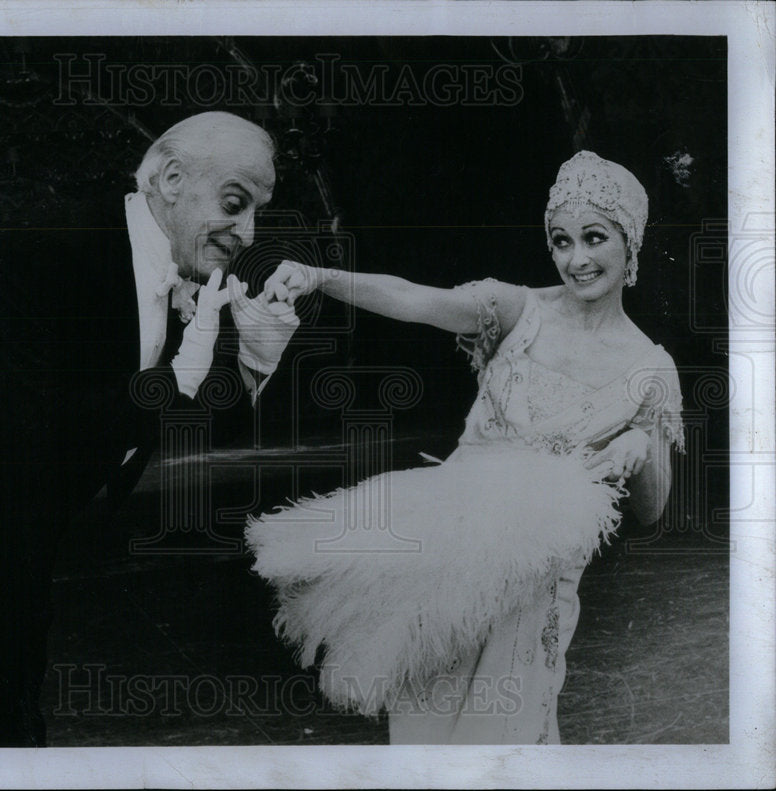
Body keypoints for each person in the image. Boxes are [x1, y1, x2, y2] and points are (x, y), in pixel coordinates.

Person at [0, 111, 299, 746]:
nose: (249, 232)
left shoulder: (155, 266)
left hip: (11, 567)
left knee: (9, 740)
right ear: (170, 179)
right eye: (234, 203)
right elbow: (29, 430)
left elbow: (157, 419)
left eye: (257, 211)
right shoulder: (35, 258)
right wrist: (185, 371)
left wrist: (253, 362)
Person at [246, 150, 685, 744]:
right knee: (426, 726)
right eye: (561, 241)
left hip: (536, 581)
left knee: (506, 736)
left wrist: (640, 443)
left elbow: (652, 509)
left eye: (594, 237)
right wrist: (320, 277)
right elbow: (411, 298)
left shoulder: (651, 368)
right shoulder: (517, 310)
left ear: (630, 241)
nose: (576, 259)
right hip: (447, 552)